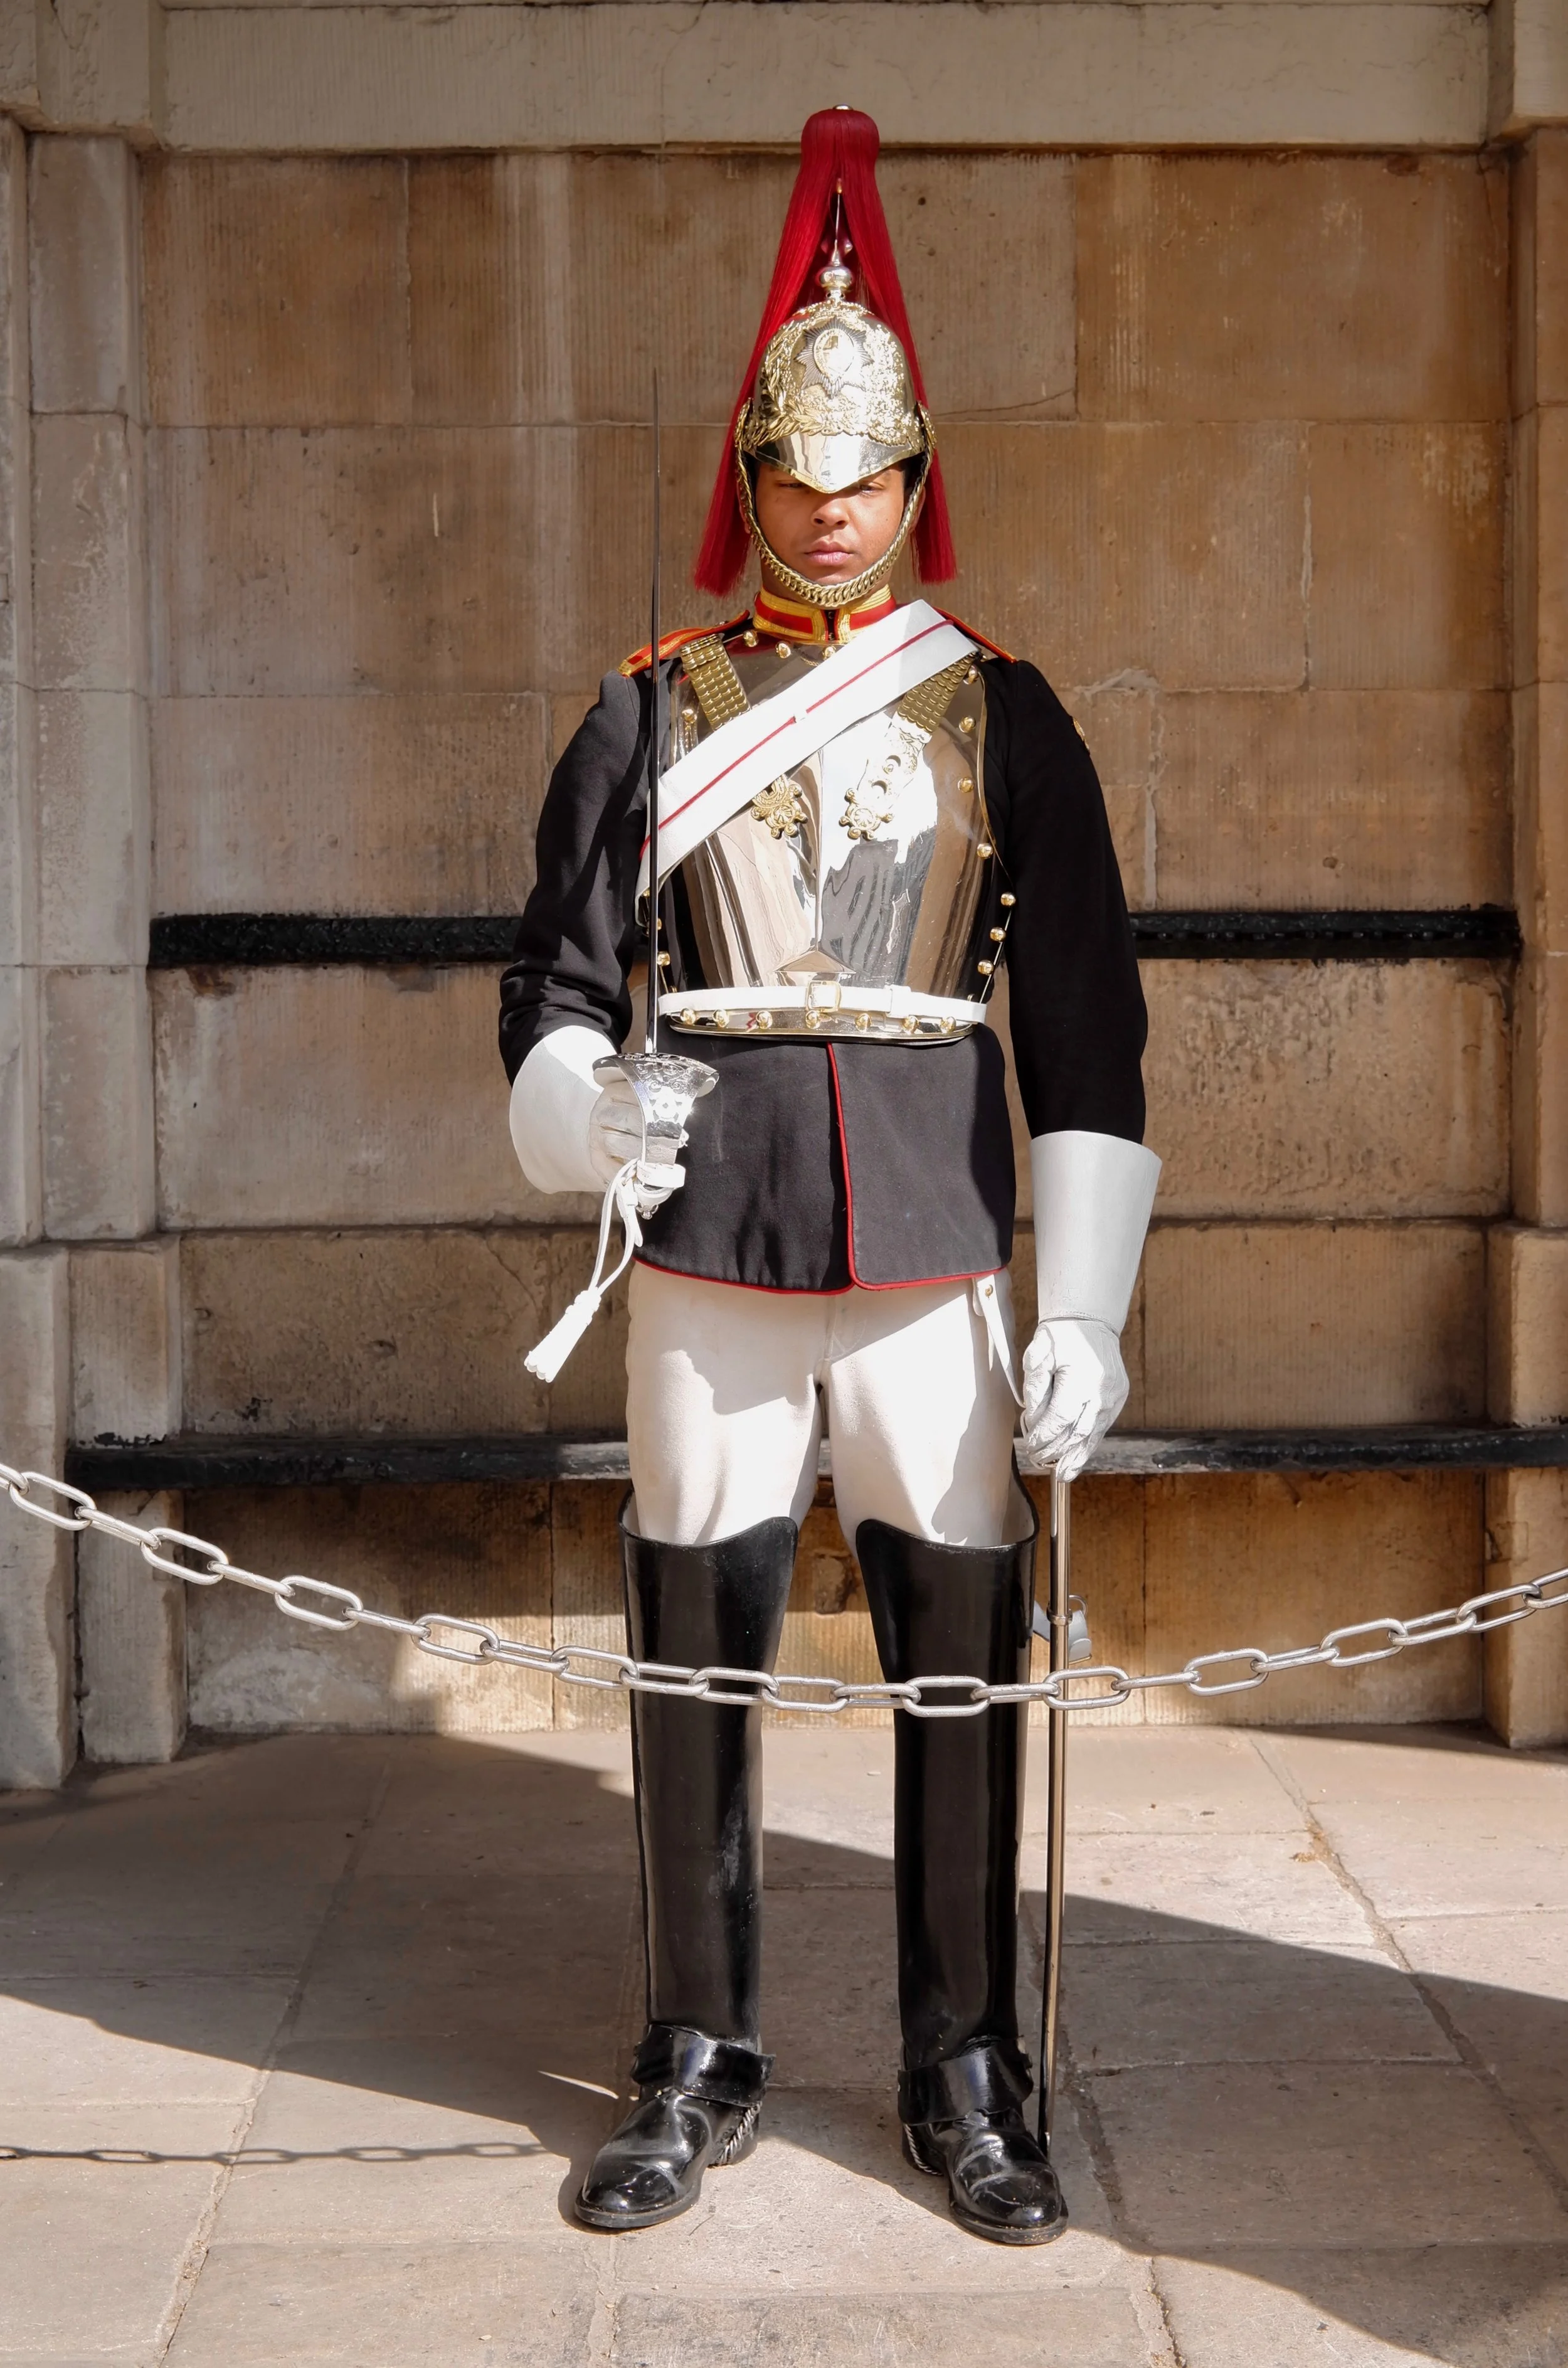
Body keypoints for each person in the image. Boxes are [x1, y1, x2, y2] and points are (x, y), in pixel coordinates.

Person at [499, 107, 1158, 2246]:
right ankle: (696, 2046)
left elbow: (1083, 1024)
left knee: (959, 1662)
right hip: (707, 1242)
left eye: (866, 476)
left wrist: (1079, 1305)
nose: (831, 509)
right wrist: (580, 1110)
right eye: (795, 472)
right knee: (693, 1649)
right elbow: (553, 983)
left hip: (937, 1246)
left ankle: (966, 2061)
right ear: (752, 470)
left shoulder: (1007, 711)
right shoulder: (646, 709)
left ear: (913, 475)